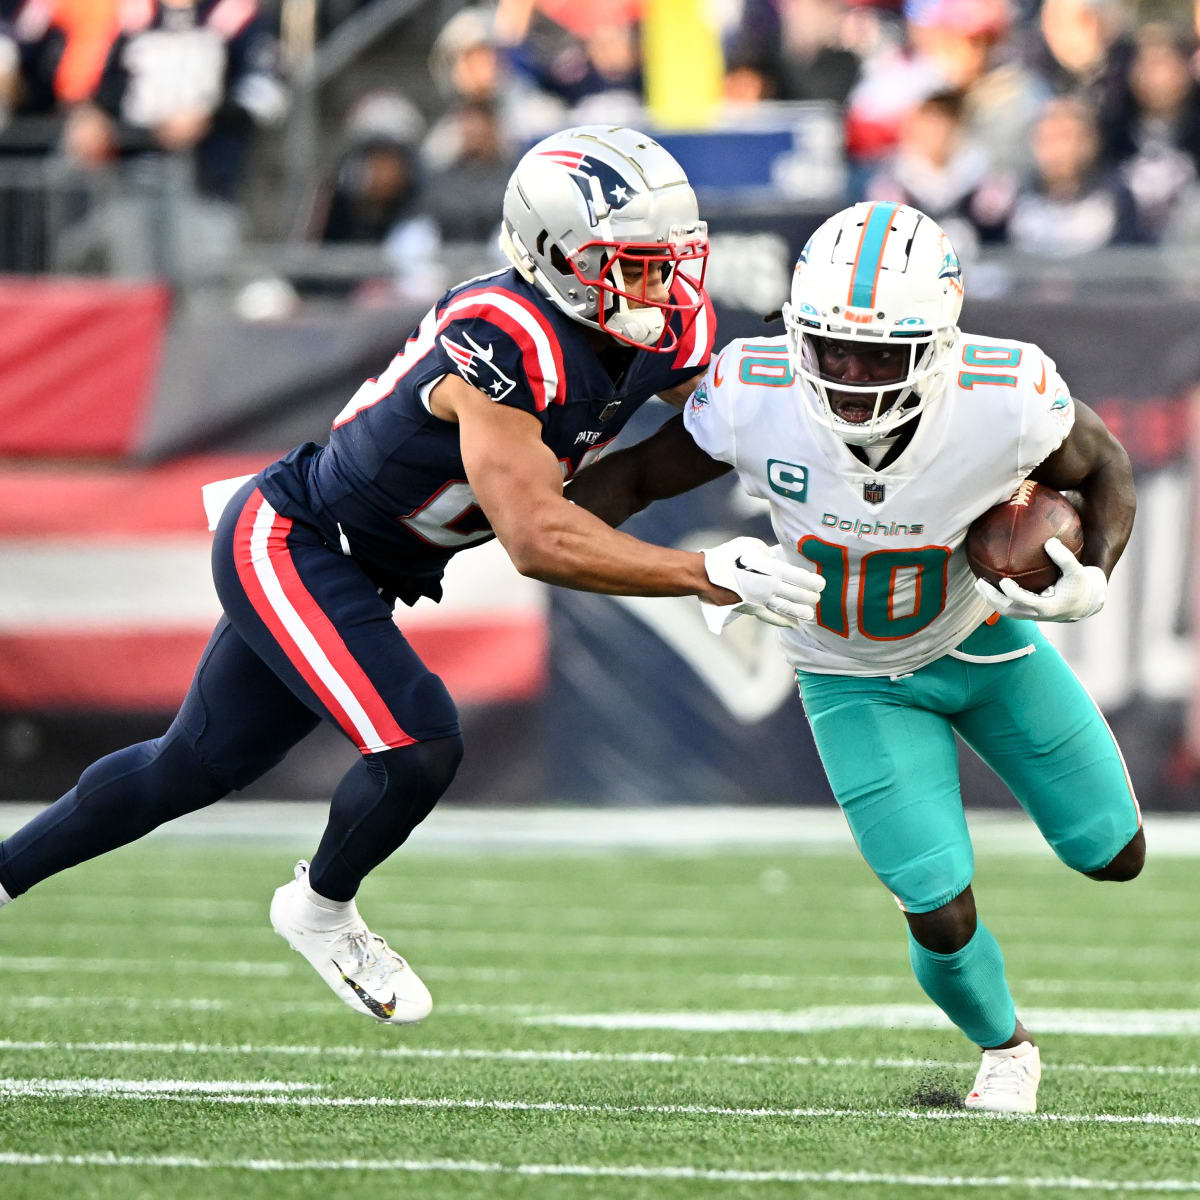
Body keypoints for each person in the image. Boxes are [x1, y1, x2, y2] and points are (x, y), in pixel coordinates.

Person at [0, 125, 822, 1025]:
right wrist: (702, 573)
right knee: (416, 742)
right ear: (556, 257)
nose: (658, 288)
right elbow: (537, 538)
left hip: (373, 565)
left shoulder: (661, 318)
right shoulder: (506, 336)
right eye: (631, 265)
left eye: (670, 261)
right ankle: (318, 909)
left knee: (187, 767)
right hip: (296, 540)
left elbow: (725, 423)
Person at [566, 201, 1142, 1113]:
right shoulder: (755, 394)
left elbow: (1105, 466)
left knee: (1115, 854)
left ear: (941, 344)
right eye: (832, 348)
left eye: (881, 354)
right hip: (849, 676)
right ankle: (1005, 1048)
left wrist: (1094, 576)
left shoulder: (1005, 394)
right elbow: (629, 482)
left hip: (981, 641)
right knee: (937, 905)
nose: (852, 374)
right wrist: (502, 519)